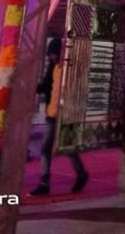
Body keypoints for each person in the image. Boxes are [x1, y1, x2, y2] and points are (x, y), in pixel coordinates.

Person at [31, 38, 87, 196]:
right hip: (52, 113)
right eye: (51, 55)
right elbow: (45, 86)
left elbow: (78, 90)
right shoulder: (53, 68)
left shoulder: (71, 68)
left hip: (66, 114)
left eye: (54, 54)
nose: (52, 57)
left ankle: (81, 174)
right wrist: (31, 87)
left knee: (68, 148)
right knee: (46, 148)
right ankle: (44, 183)